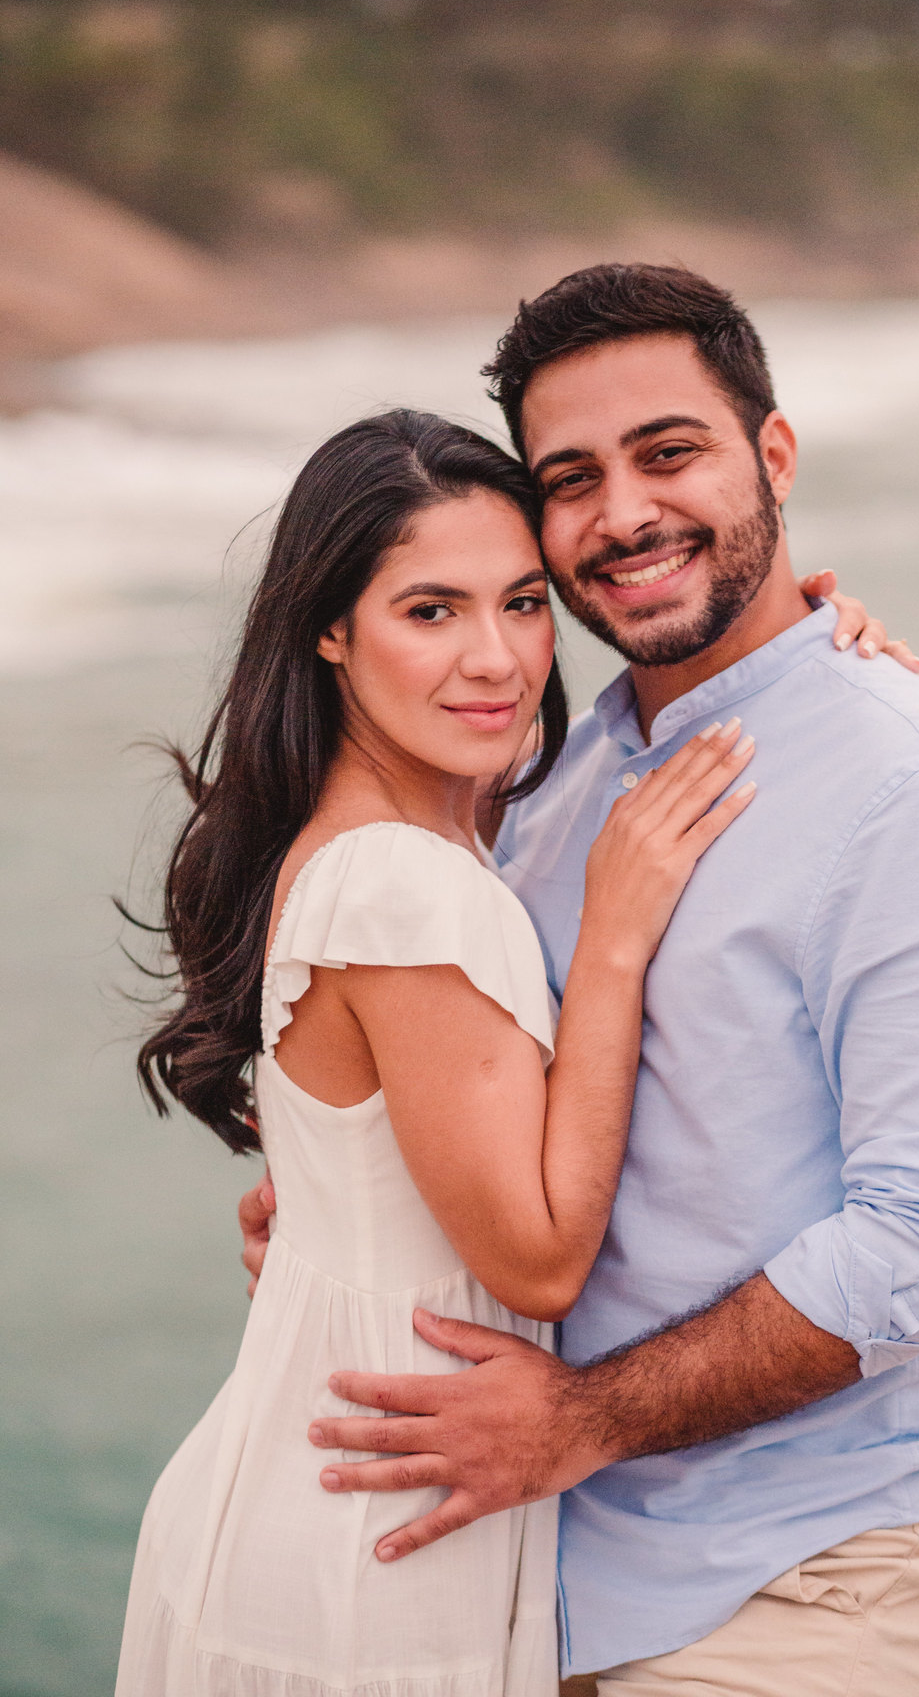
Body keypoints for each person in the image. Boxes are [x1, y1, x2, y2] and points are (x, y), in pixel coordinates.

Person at [240, 265, 919, 1697]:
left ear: (773, 456)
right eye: (570, 479)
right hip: (549, 1557)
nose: (623, 514)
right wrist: (360, 1204)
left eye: (671, 453)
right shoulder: (556, 774)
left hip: (814, 1568)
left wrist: (585, 1418)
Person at [116, 408, 773, 1696]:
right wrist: (616, 945)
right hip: (375, 1540)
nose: (498, 658)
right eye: (431, 612)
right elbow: (535, 1259)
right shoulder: (408, 885)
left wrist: (815, 632)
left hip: (344, 1478)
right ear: (329, 628)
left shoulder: (379, 836)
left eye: (524, 602)